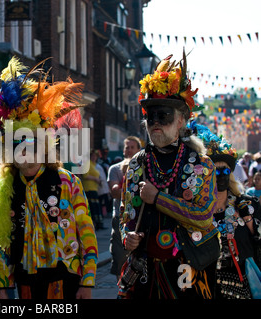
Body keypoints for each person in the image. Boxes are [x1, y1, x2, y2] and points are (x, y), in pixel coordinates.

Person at [0, 57, 98, 299]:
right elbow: (2, 241)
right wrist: (2, 288)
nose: (25, 153)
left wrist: (88, 280)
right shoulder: (6, 187)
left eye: (31, 144)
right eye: (18, 146)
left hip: (65, 279)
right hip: (26, 282)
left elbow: (86, 230)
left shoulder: (67, 182)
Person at [118, 51, 220, 299]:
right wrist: (127, 237)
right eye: (151, 116)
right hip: (144, 269)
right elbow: (125, 214)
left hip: (188, 268)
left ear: (182, 120)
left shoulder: (202, 165)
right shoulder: (137, 164)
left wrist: (158, 198)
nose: (156, 122)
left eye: (163, 116)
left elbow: (203, 215)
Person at [191, 123, 261, 299]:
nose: (220, 176)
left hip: (241, 287)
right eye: (214, 171)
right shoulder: (194, 209)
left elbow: (259, 239)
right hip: (205, 286)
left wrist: (249, 220)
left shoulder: (246, 205)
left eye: (225, 171)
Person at [108, 136, 142, 278]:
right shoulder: (115, 168)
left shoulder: (145, 168)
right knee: (120, 257)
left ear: (139, 150)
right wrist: (125, 182)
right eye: (127, 147)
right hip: (120, 218)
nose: (129, 150)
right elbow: (114, 193)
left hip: (140, 219)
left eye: (132, 147)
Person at [81, 150, 103, 229]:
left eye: (95, 156)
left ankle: (98, 223)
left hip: (94, 188)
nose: (94, 157)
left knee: (96, 206)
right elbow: (85, 175)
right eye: (92, 156)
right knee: (92, 207)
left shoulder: (94, 165)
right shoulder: (87, 163)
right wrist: (96, 179)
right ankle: (93, 224)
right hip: (88, 188)